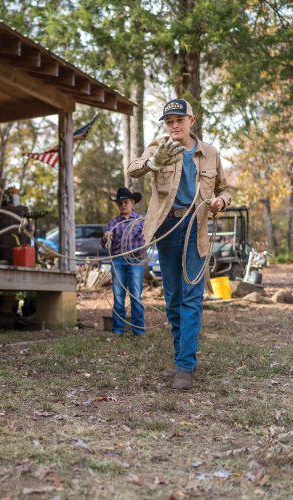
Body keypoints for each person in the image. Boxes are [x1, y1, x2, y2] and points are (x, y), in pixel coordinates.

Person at [127, 98, 231, 392]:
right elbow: (133, 168)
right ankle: (179, 359)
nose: (174, 126)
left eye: (179, 121)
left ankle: (186, 367)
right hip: (167, 227)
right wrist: (152, 163)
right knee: (172, 297)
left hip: (195, 227)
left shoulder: (210, 153)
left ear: (191, 121)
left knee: (191, 296)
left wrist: (221, 200)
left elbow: (224, 188)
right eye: (169, 121)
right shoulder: (158, 146)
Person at [100, 187, 146, 337]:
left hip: (135, 260)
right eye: (120, 203)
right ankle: (117, 330)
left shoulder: (141, 221)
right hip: (118, 261)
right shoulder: (113, 223)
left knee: (136, 296)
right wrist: (105, 238)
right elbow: (104, 245)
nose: (123, 205)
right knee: (118, 297)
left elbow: (149, 238)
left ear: (132, 202)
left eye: (126, 202)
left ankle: (138, 331)